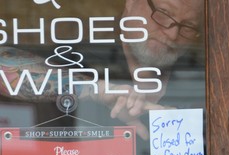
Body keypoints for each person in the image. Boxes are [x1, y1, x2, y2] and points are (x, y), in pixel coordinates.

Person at [0, 0, 204, 139]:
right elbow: (4, 67)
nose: (172, 33)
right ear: (131, 1)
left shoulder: (200, 73)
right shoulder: (81, 57)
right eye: (164, 13)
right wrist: (95, 90)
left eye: (188, 27)